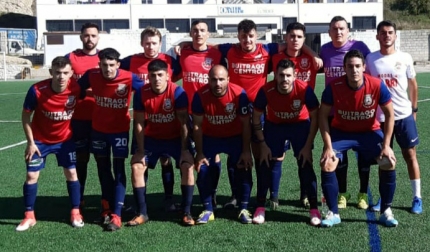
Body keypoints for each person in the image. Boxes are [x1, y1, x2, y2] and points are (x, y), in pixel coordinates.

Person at [319, 49, 398, 228]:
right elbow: (323, 117)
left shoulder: (377, 85)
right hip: (342, 132)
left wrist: (386, 145)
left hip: (369, 132)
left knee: (388, 161)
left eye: (357, 66)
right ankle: (333, 212)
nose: (354, 70)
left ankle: (386, 211)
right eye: (350, 66)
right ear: (344, 68)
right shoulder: (333, 87)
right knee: (327, 162)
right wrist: (328, 146)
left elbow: (390, 115)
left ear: (363, 67)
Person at [78, 48, 144, 231]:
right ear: (99, 65)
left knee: (119, 170)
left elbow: (147, 91)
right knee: (102, 169)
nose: (108, 69)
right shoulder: (92, 75)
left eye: (111, 65)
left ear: (118, 64)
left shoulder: (129, 77)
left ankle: (117, 214)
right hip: (98, 130)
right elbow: (76, 89)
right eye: (104, 65)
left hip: (119, 132)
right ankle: (106, 207)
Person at [17, 56, 84, 231]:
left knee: (71, 173)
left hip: (65, 140)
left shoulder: (75, 89)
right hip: (40, 141)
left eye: (65, 73)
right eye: (57, 73)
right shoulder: (37, 90)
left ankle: (75, 212)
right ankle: (29, 215)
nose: (61, 77)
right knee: (31, 176)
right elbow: (25, 116)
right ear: (51, 73)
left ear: (71, 74)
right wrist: (30, 143)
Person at [252, 59, 321, 226]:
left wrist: (307, 145)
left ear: (295, 76)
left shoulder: (304, 89)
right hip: (275, 126)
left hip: (299, 125)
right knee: (265, 162)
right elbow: (255, 117)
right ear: (275, 75)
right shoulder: (266, 90)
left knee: (305, 162)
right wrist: (262, 143)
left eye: (288, 75)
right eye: (281, 75)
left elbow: (316, 117)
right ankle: (260, 206)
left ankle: (313, 208)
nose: (285, 79)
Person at [120, 26, 181, 212]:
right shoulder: (130, 61)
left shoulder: (169, 61)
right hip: (142, 117)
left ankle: (169, 199)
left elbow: (176, 77)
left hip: (164, 116)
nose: (150, 47)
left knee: (165, 160)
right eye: (147, 43)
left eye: (154, 43)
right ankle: (140, 202)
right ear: (141, 43)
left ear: (160, 44)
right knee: (140, 159)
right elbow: (114, 71)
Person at [129, 59, 195, 226]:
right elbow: (138, 123)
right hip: (152, 139)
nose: (156, 79)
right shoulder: (141, 93)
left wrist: (185, 149)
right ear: (148, 78)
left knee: (187, 165)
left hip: (174, 138)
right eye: (153, 76)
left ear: (168, 76)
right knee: (137, 166)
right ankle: (142, 212)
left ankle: (186, 212)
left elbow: (184, 123)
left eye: (160, 75)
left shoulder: (178, 92)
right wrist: (141, 150)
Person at [365, 20, 422, 214]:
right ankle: (384, 198)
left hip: (404, 115)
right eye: (383, 32)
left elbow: (413, 85)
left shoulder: (405, 57)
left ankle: (417, 197)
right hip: (381, 118)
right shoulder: (370, 60)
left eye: (390, 32)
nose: (387, 35)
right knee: (385, 158)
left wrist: (414, 110)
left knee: (410, 155)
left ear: (395, 36)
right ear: (377, 36)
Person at [320, 15, 372, 210]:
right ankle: (342, 193)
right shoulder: (325, 50)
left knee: (364, 155)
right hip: (335, 112)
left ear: (348, 31)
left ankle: (363, 193)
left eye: (342, 28)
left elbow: (370, 72)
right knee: (339, 156)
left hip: (359, 111)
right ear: (329, 32)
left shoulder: (360, 47)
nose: (338, 32)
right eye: (334, 28)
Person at [192, 65, 253, 224]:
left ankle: (244, 208)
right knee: (203, 167)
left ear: (228, 80)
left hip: (234, 137)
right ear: (208, 80)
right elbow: (197, 126)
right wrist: (199, 153)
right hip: (211, 137)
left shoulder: (239, 94)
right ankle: (208, 209)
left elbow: (246, 124)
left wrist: (246, 150)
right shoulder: (200, 95)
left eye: (221, 79)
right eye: (213, 80)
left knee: (244, 166)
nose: (217, 84)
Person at [271, 21, 321, 208]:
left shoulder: (313, 60)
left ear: (304, 39)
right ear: (286, 37)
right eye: (292, 36)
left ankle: (305, 195)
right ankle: (273, 197)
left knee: (304, 158)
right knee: (277, 158)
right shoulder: (275, 58)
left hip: (303, 118)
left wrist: (313, 53)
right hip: (279, 118)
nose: (295, 40)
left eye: (299, 37)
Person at [178, 20, 223, 209]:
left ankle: (211, 193)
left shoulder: (216, 53)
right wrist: (180, 46)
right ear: (190, 33)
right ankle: (184, 199)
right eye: (195, 30)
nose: (198, 33)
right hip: (188, 113)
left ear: (208, 33)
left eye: (202, 30)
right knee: (188, 155)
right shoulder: (183, 53)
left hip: (211, 112)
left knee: (214, 154)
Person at [65, 22, 105, 212]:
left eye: (93, 35)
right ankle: (78, 199)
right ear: (81, 37)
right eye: (86, 35)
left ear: (99, 37)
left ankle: (106, 201)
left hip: (101, 119)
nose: (90, 39)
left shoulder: (106, 58)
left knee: (102, 159)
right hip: (79, 119)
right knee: (81, 159)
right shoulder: (71, 57)